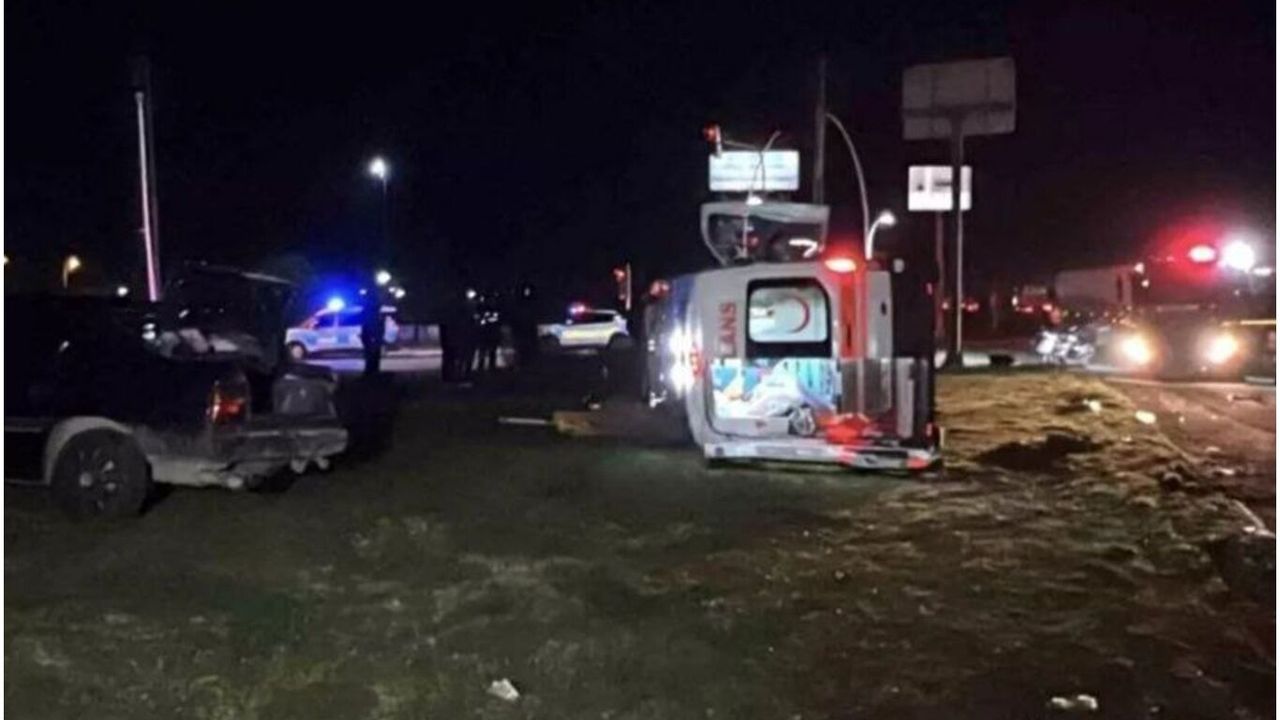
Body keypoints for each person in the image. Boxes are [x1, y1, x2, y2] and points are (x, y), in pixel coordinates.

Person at [359, 299, 384, 377]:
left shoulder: (372, 316)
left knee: (372, 356)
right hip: (372, 338)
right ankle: (372, 372)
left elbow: (376, 327)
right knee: (372, 356)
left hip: (372, 338)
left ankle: (371, 372)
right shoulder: (374, 315)